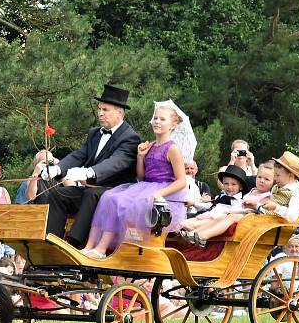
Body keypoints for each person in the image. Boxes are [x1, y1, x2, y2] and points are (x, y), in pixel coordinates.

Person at [80, 101, 191, 259]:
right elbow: (141, 176)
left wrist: (159, 193)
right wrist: (140, 157)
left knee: (123, 201)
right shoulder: (150, 146)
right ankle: (90, 245)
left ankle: (102, 249)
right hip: (145, 185)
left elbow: (181, 181)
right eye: (155, 118)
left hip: (163, 191)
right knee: (108, 197)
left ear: (172, 125)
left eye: (162, 119)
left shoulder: (172, 148)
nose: (157, 122)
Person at [42, 84, 141, 248]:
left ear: (119, 112)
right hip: (92, 189)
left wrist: (88, 172)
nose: (100, 113)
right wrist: (59, 168)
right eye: (99, 109)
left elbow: (115, 163)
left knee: (91, 194)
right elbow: (80, 155)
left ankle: (74, 245)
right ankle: (52, 244)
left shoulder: (130, 137)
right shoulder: (94, 133)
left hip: (116, 192)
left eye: (105, 109)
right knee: (58, 194)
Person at [179, 162, 275, 247]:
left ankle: (201, 235)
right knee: (220, 217)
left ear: (273, 182)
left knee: (227, 216)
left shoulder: (267, 196)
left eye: (266, 179)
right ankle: (195, 233)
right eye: (259, 177)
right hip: (228, 213)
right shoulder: (252, 191)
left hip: (248, 217)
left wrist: (232, 210)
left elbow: (254, 210)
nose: (262, 180)